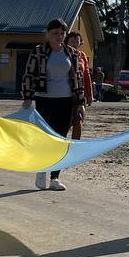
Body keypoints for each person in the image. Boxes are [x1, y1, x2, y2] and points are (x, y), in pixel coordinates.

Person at [21, 19, 85, 191]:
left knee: (61, 139)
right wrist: (27, 97)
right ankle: (42, 169)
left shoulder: (72, 53)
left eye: (62, 33)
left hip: (66, 101)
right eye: (55, 33)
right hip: (44, 100)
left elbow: (78, 78)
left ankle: (55, 177)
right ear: (47, 34)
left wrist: (80, 102)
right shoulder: (38, 52)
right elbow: (29, 75)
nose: (59, 36)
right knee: (44, 137)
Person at [65, 30, 94, 140]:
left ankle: (75, 145)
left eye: (77, 41)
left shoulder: (82, 56)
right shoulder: (62, 54)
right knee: (65, 123)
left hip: (80, 94)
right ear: (66, 42)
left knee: (79, 121)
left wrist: (89, 95)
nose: (74, 43)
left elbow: (87, 75)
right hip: (65, 94)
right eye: (72, 41)